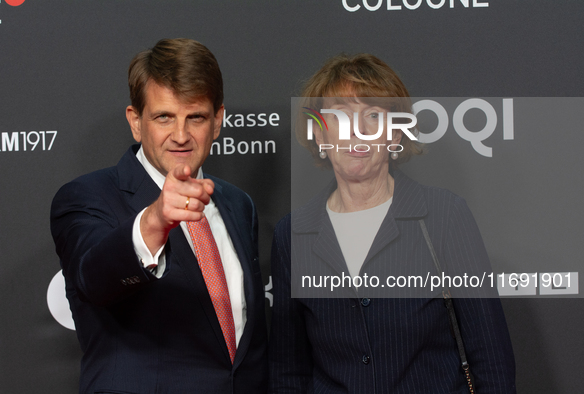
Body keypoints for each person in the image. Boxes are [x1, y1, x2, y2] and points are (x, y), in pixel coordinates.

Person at [269, 54, 515, 393]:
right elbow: (288, 373)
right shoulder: (292, 234)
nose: (359, 131)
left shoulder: (444, 216)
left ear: (395, 135)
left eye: (373, 114)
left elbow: (492, 360)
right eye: (341, 115)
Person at [51, 38, 267, 394]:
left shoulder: (238, 204)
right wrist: (155, 221)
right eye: (164, 117)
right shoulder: (86, 197)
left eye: (195, 117)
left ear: (217, 121)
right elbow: (92, 279)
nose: (180, 136)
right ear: (136, 122)